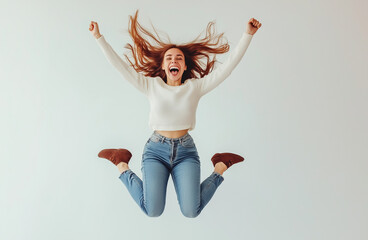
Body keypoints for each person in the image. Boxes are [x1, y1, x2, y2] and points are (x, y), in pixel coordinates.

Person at [89, 10, 262, 218]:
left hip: (185, 152)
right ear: (163, 66)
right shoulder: (151, 85)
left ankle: (220, 166)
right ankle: (121, 163)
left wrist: (247, 35)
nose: (174, 61)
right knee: (153, 210)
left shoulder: (194, 87)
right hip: (155, 151)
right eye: (169, 58)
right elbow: (121, 68)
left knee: (191, 211)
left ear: (184, 66)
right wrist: (99, 38)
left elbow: (227, 69)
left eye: (179, 58)